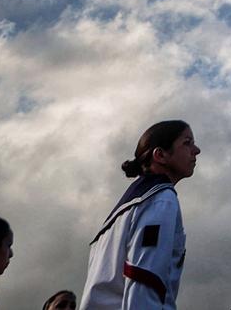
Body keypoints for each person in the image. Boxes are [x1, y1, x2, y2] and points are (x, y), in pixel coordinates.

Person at [80, 119, 200, 310]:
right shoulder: (161, 199)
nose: (196, 150)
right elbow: (145, 277)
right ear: (160, 155)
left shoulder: (121, 212)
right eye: (187, 143)